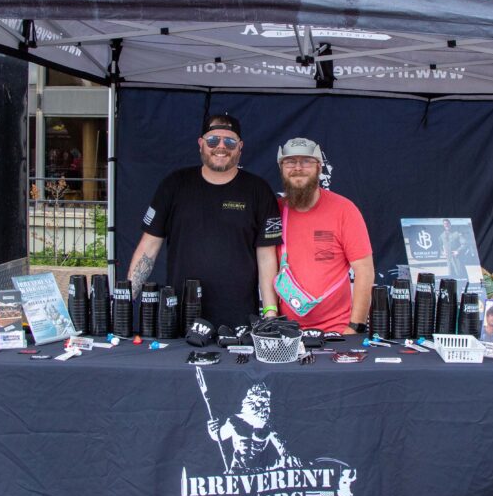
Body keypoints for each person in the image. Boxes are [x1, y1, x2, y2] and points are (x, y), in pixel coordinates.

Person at [127, 113, 281, 328]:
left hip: (239, 318)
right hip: (180, 315)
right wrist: (125, 302)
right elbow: (148, 248)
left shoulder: (259, 190)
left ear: (240, 146)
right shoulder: (174, 185)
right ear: (201, 143)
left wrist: (270, 313)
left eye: (229, 141)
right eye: (213, 140)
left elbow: (266, 257)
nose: (221, 146)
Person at [274, 137, 374, 334]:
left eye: (306, 161)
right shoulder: (273, 211)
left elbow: (364, 270)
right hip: (286, 332)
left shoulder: (344, 210)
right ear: (281, 168)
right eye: (290, 162)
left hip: (336, 332)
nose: (298, 168)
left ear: (319, 167)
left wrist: (355, 326)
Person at [206, 383, 301, 474]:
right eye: (260, 402)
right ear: (251, 402)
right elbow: (218, 437)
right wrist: (212, 429)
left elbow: (282, 448)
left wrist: (289, 458)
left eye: (267, 403)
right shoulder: (234, 421)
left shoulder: (269, 425)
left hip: (259, 472)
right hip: (237, 470)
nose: (265, 406)